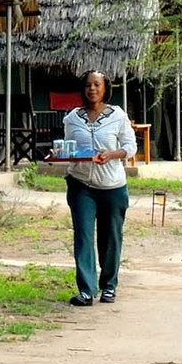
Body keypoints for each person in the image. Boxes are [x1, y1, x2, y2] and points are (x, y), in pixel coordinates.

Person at [60, 69, 134, 306]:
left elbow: (130, 146)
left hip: (112, 186)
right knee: (83, 235)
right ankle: (86, 290)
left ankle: (109, 285)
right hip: (81, 184)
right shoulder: (73, 118)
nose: (92, 89)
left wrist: (112, 154)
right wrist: (63, 155)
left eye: (96, 85)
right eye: (88, 85)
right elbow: (69, 146)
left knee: (110, 237)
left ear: (105, 89)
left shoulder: (117, 116)